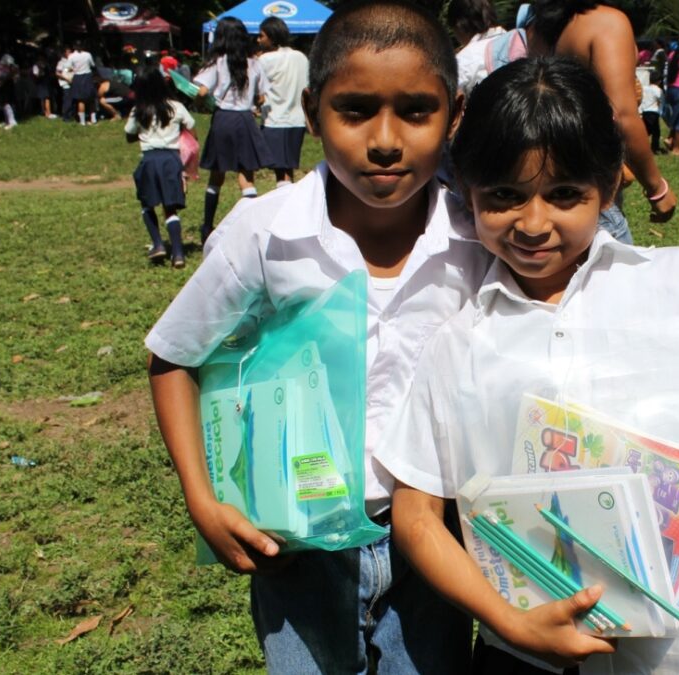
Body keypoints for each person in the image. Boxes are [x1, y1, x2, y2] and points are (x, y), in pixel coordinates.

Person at [379, 56, 679, 675]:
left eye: (563, 195)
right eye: (503, 196)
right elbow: (416, 513)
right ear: (466, 192)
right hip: (522, 654)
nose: (533, 223)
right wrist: (508, 622)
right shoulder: (460, 342)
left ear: (608, 188)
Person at [145, 2, 489, 672]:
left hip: (439, 540)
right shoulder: (265, 232)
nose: (385, 139)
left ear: (455, 112)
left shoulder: (478, 238)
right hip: (296, 545)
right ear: (310, 111)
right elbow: (174, 354)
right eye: (355, 110)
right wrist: (202, 498)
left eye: (416, 111)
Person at [523, 0, 678, 246]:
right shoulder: (607, 22)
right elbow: (622, 117)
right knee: (616, 282)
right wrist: (657, 188)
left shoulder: (540, 29)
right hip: (590, 192)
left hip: (546, 183)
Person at [193, 16, 272, 243]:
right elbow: (262, 95)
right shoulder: (254, 63)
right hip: (245, 120)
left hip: (223, 120)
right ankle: (253, 226)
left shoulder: (217, 62)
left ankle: (207, 226)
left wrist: (200, 103)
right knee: (247, 176)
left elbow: (200, 90)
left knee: (216, 175)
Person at [125, 68, 196, 268]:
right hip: (171, 160)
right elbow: (191, 126)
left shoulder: (139, 109)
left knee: (147, 203)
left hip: (149, 159)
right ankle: (179, 254)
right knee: (170, 207)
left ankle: (157, 244)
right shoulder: (176, 106)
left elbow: (129, 133)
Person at [256, 16, 309, 187]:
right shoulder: (301, 57)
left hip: (275, 120)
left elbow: (256, 88)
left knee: (280, 171)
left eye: (261, 36)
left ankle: (283, 205)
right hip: (297, 121)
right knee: (288, 168)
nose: (258, 40)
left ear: (272, 36)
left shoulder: (265, 60)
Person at [69, 41, 97, 125]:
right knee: (91, 99)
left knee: (81, 100)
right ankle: (93, 119)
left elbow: (69, 67)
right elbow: (92, 64)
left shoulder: (71, 56)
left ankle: (82, 121)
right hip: (87, 76)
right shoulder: (88, 54)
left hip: (77, 77)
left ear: (74, 46)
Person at [639, 68, 663, 154]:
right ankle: (655, 147)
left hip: (644, 112)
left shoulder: (644, 88)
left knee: (647, 130)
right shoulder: (658, 90)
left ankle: (641, 145)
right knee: (656, 132)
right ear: (659, 81)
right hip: (653, 113)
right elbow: (661, 100)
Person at [56, 46, 75, 122]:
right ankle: (66, 116)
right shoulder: (61, 62)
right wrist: (67, 79)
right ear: (65, 53)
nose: (70, 53)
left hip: (73, 83)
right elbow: (58, 73)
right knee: (67, 100)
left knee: (72, 100)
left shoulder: (72, 61)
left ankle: (71, 115)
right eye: (68, 52)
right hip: (66, 83)